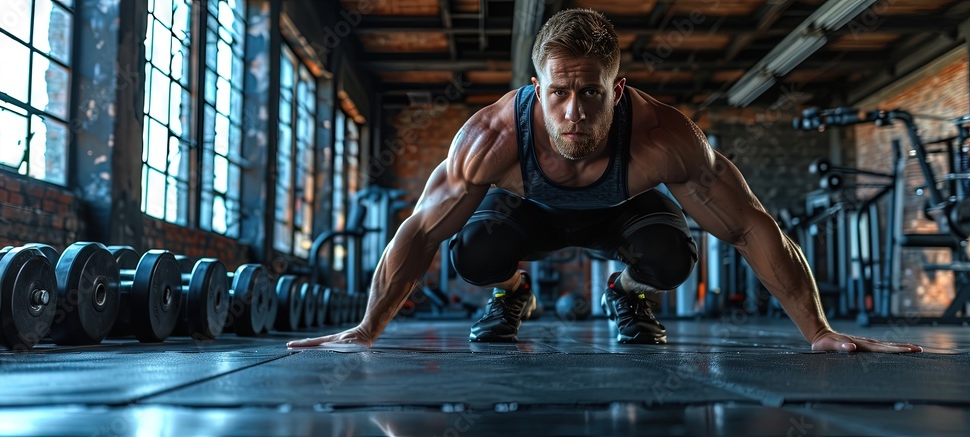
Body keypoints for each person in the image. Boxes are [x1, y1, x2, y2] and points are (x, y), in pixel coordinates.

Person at [288, 9, 922, 352]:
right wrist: (365, 331)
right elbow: (421, 232)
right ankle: (512, 293)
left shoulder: (664, 136)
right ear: (537, 88)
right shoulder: (490, 139)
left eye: (590, 93)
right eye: (558, 93)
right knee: (472, 252)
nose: (575, 112)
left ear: (616, 88)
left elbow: (752, 224)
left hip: (625, 208)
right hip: (525, 210)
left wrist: (819, 332)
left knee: (673, 255)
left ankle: (627, 292)